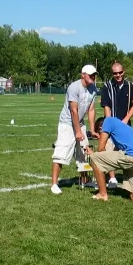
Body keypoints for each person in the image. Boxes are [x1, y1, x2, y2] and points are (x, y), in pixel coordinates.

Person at [51, 64, 99, 194]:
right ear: (83, 74)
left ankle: (85, 180)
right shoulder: (74, 87)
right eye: (90, 75)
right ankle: (54, 184)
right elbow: (73, 110)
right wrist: (77, 131)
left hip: (80, 123)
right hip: (67, 124)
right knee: (61, 153)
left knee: (84, 153)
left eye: (94, 75)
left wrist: (93, 129)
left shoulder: (93, 88)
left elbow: (91, 109)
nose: (93, 77)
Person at [100, 62, 133, 189]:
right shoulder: (107, 86)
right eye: (115, 73)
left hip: (125, 125)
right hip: (112, 126)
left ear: (124, 72)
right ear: (112, 74)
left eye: (120, 72)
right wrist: (110, 123)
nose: (118, 75)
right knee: (109, 151)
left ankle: (129, 179)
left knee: (127, 153)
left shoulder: (130, 86)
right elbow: (106, 106)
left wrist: (126, 119)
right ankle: (112, 179)